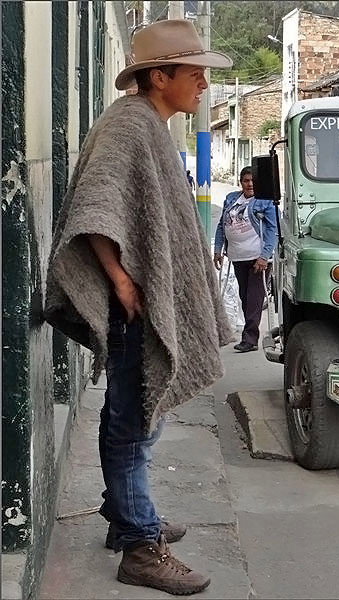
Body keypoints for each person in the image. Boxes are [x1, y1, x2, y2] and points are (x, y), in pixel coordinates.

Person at [44, 20, 234, 595]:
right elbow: (94, 209)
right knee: (133, 424)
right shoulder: (131, 125)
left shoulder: (151, 123)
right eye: (195, 73)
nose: (204, 84)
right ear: (160, 76)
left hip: (142, 302)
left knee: (137, 415)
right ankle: (139, 546)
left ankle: (125, 512)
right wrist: (122, 280)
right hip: (133, 306)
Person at [213, 166, 278, 352]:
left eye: (252, 181)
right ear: (241, 182)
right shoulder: (232, 198)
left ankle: (249, 339)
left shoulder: (265, 201)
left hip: (258, 258)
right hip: (237, 256)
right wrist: (218, 249)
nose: (249, 184)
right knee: (245, 297)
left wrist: (264, 256)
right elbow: (221, 225)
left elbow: (272, 230)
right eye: (246, 180)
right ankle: (249, 335)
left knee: (254, 299)